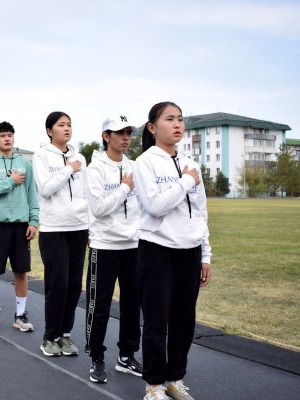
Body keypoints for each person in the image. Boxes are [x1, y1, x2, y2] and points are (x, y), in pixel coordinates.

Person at [134, 102, 212, 400]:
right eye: (170, 119)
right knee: (156, 322)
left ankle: (174, 379)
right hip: (157, 250)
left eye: (180, 119)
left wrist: (205, 254)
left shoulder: (191, 163)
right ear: (153, 127)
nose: (178, 124)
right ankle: (154, 385)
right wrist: (186, 181)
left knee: (184, 321)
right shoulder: (145, 162)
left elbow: (201, 213)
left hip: (189, 252)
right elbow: (155, 206)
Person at [84, 115, 143, 384]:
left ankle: (126, 356)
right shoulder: (95, 168)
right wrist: (124, 188)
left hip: (133, 245)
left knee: (132, 305)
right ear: (106, 136)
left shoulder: (134, 166)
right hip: (105, 245)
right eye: (120, 133)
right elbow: (99, 208)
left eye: (128, 132)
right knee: (100, 306)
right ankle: (96, 358)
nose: (126, 138)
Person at [33, 111, 88, 357]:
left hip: (78, 226)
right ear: (49, 131)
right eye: (61, 125)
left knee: (74, 285)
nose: (67, 128)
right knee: (58, 284)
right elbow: (45, 189)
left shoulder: (80, 157)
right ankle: (50, 337)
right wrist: (67, 169)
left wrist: (90, 225)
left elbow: (86, 192)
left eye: (69, 124)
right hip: (54, 228)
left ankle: (65, 334)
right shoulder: (42, 155)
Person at [0, 121, 39, 334]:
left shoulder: (24, 163)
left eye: (10, 135)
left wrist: (33, 221)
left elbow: (32, 194)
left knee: (21, 272)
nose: (7, 138)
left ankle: (20, 315)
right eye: (3, 135)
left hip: (21, 225)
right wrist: (10, 182)